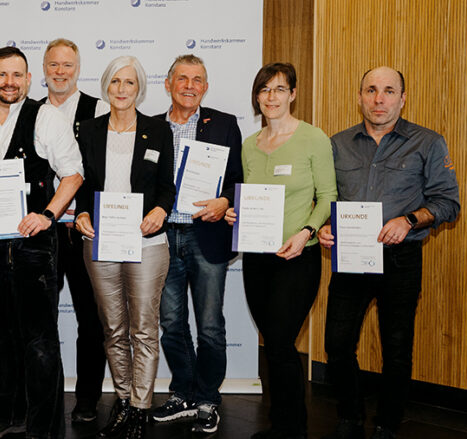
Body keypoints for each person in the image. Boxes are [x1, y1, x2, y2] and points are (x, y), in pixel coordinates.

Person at [0, 46, 84, 439]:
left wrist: (49, 215)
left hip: (32, 247)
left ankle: (43, 428)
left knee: (39, 343)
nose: (9, 82)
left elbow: (73, 175)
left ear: (28, 79)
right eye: (1, 75)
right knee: (3, 339)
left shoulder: (47, 118)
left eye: (17, 75)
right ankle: (7, 413)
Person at [318, 67, 460, 439]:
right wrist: (325, 227)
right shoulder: (338, 143)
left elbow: (448, 203)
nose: (379, 99)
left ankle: (387, 423)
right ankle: (349, 416)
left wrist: (410, 220)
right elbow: (326, 198)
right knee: (337, 344)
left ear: (402, 97)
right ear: (360, 96)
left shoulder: (428, 142)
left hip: (401, 259)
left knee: (396, 347)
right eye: (371, 90)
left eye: (388, 91)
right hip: (350, 258)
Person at [223, 62, 337, 439]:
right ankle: (279, 426)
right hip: (257, 259)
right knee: (272, 344)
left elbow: (328, 197)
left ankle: (294, 430)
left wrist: (306, 232)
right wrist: (235, 214)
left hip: (297, 259)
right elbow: (247, 198)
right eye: (264, 90)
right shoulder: (249, 147)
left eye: (279, 89)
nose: (271, 97)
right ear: (257, 97)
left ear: (292, 94)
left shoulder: (313, 138)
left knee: (282, 342)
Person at [73, 55, 175, 439]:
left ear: (140, 88)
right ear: (105, 86)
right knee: (113, 328)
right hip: (100, 240)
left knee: (144, 329)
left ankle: (140, 407)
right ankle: (123, 400)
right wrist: (81, 214)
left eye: (129, 83)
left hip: (147, 241)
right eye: (115, 81)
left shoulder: (157, 130)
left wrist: (161, 211)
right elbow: (80, 183)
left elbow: (168, 185)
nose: (121, 89)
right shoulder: (87, 129)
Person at [150, 54, 243, 434]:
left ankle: (207, 398)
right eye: (182, 78)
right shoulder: (151, 127)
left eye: (197, 80)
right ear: (169, 83)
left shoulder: (224, 124)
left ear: (206, 87)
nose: (189, 85)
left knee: (209, 325)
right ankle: (183, 392)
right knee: (171, 323)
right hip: (163, 237)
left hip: (206, 233)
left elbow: (238, 177)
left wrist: (226, 202)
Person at [38, 38, 111, 424]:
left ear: (77, 69)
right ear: (44, 69)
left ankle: (87, 399)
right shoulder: (28, 112)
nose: (60, 72)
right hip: (40, 233)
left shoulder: (98, 110)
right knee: (40, 321)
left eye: (67, 65)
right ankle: (45, 399)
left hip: (83, 231)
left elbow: (103, 173)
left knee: (90, 318)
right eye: (54, 65)